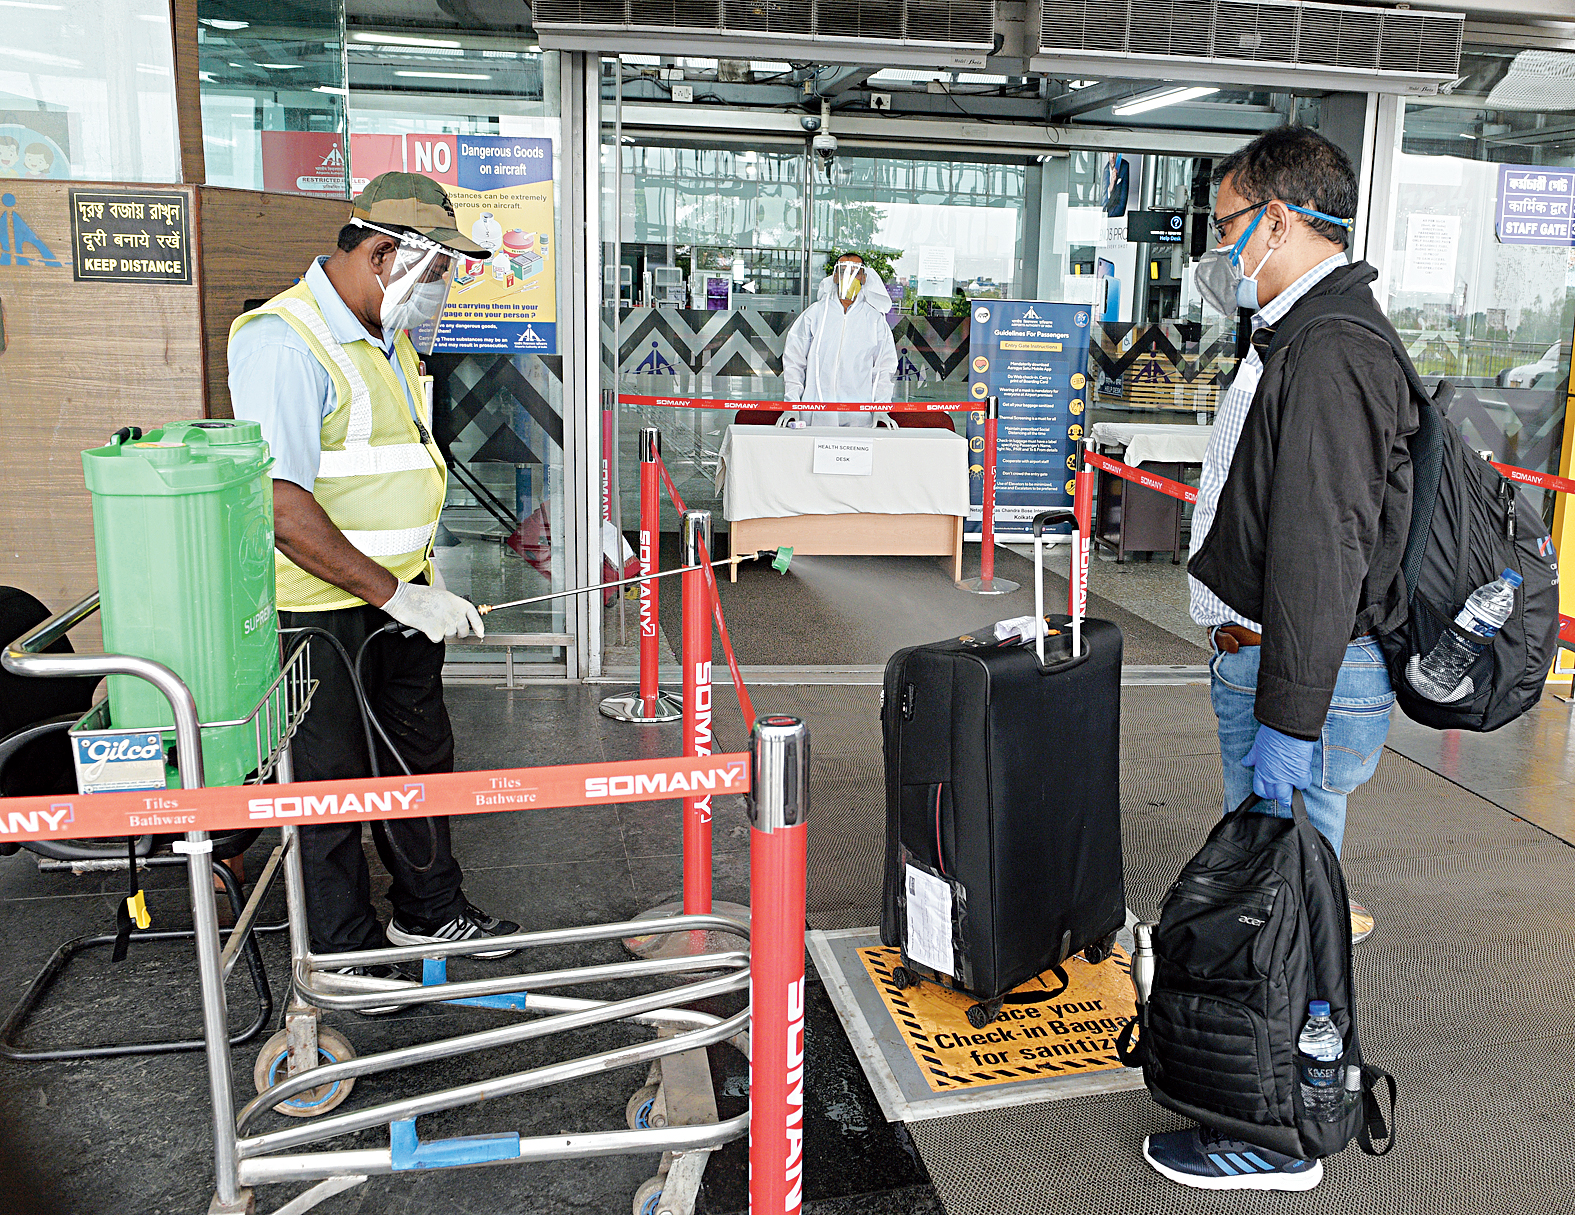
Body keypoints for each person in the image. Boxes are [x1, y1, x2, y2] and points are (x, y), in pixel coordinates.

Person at [1143, 126, 1418, 1191]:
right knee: (1279, 903)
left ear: (1281, 219)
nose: (1217, 249)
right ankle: (1272, 1099)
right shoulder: (1297, 331)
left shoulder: (1337, 347)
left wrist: (1288, 730)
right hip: (1277, 667)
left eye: (1225, 226)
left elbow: (1321, 554)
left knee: (1286, 915)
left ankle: (1282, 1131)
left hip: (1299, 678)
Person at [227, 172, 520, 986]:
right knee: (329, 788)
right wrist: (397, 594)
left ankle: (429, 910)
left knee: (418, 759)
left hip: (398, 599)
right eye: (433, 275)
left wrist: (413, 588)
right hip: (322, 614)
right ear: (383, 254)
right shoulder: (284, 341)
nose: (438, 294)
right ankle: (346, 955)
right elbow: (281, 506)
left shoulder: (381, 334)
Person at [780, 253, 897, 428]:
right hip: (815, 415)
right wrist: (792, 403)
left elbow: (883, 369)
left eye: (856, 272)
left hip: (859, 417)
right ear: (835, 276)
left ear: (864, 278)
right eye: (843, 271)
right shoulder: (815, 314)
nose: (849, 277)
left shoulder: (874, 320)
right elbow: (794, 362)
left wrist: (880, 407)